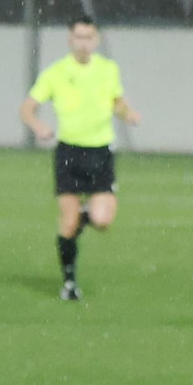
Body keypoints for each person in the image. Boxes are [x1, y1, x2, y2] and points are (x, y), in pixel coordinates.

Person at [19, 15, 141, 301]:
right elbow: (27, 108)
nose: (84, 43)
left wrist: (128, 113)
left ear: (96, 40)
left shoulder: (108, 69)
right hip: (68, 154)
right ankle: (70, 283)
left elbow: (116, 100)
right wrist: (39, 127)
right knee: (68, 222)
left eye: (89, 37)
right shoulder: (56, 72)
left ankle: (81, 217)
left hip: (100, 153)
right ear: (70, 40)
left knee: (102, 220)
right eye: (79, 37)